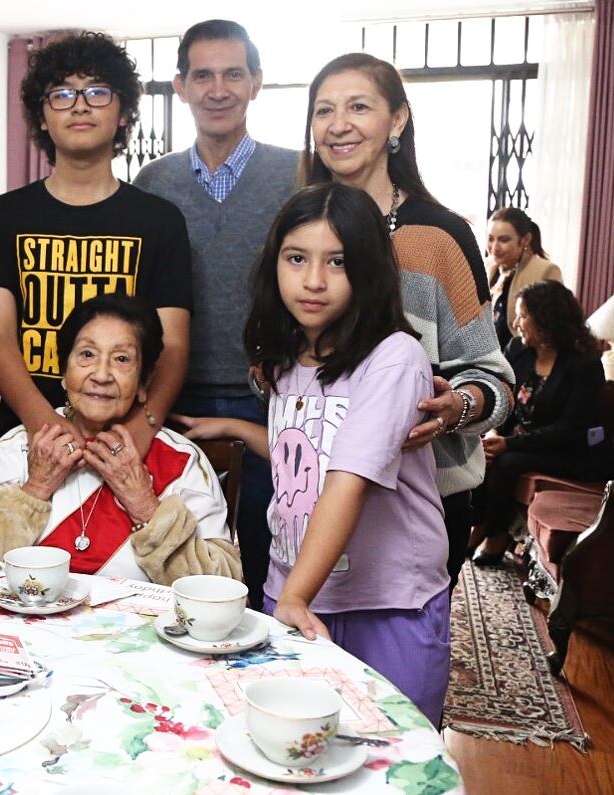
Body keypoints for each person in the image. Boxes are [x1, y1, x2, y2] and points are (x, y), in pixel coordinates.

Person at [178, 183, 450, 725]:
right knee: (292, 757)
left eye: (338, 262)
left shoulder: (394, 358)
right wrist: (236, 426)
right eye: (296, 258)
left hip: (385, 602)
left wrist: (292, 600)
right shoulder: (285, 359)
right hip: (295, 590)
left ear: (368, 270)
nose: (313, 280)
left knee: (393, 761)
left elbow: (347, 479)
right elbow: (304, 450)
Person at [302, 52, 513, 591]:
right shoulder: (298, 229)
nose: (338, 124)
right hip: (307, 497)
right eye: (324, 110)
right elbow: (275, 359)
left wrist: (453, 408)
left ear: (397, 120)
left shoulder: (440, 236)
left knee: (397, 669)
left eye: (358, 107)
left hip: (419, 504)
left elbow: (495, 382)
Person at [134, 19, 299, 613]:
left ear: (257, 82)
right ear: (180, 86)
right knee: (181, 564)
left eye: (233, 73)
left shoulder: (299, 174)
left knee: (267, 559)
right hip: (174, 398)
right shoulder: (154, 183)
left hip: (273, 400)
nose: (218, 88)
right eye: (202, 75)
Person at [0, 32, 193, 458]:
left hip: (127, 441)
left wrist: (140, 428)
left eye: (97, 91)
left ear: (124, 112)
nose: (79, 104)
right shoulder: (2, 216)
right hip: (26, 438)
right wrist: (45, 423)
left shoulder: (160, 220)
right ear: (41, 117)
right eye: (61, 94)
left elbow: (175, 343)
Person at [0, 293, 240, 585]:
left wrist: (145, 504)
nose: (102, 374)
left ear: (144, 382)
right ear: (64, 372)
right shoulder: (19, 449)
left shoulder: (180, 460)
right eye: (87, 355)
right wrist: (34, 490)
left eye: (121, 359)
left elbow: (222, 584)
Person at [469, 281, 614, 565]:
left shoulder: (585, 365)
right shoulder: (518, 350)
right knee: (482, 450)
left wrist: (508, 443)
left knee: (507, 461)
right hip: (522, 441)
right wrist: (493, 432)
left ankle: (496, 534)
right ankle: (478, 524)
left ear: (547, 319)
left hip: (572, 451)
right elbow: (501, 397)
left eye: (523, 316)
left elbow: (570, 431)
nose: (516, 323)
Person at [485, 207, 562, 349]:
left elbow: (551, 328)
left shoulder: (546, 270)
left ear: (525, 240)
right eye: (490, 239)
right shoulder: (486, 266)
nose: (494, 247)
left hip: (522, 356)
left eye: (504, 240)